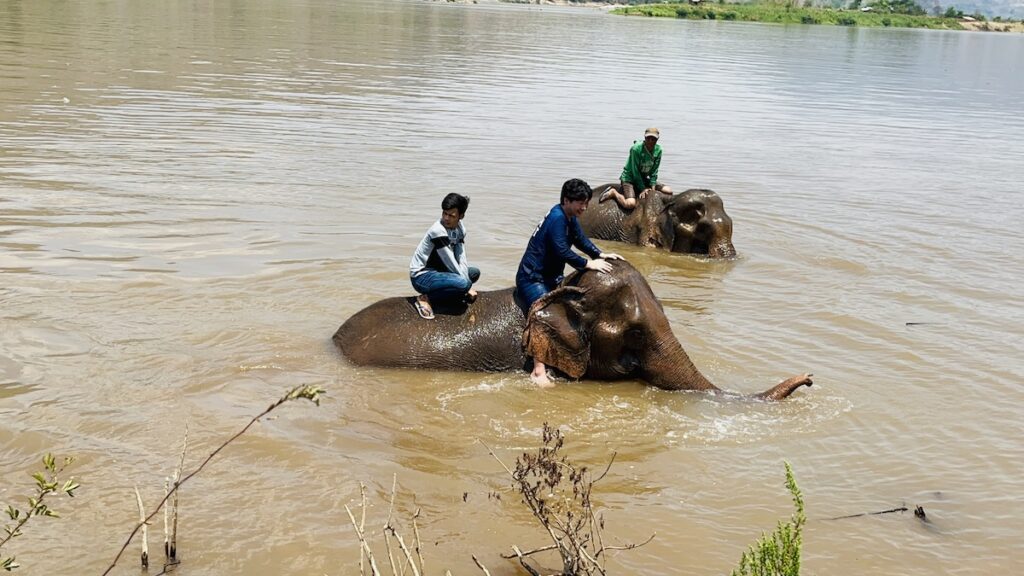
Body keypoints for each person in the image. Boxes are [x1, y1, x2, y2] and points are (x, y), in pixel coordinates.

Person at [516, 178, 624, 387]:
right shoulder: (557, 218)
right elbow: (561, 251)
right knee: (544, 314)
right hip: (532, 278)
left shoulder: (569, 216)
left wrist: (601, 253)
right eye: (580, 203)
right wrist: (587, 264)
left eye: (586, 203)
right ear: (566, 200)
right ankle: (538, 371)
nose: (584, 207)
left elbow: (580, 240)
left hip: (550, 276)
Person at [409, 193, 479, 320]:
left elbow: (461, 256)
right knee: (464, 283)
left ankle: (456, 289)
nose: (446, 218)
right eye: (444, 213)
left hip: (440, 272)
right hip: (422, 276)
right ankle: (425, 298)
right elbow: (450, 262)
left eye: (451, 215)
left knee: (474, 273)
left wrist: (465, 281)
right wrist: (465, 286)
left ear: (461, 216)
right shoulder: (438, 230)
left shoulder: (460, 229)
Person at [600, 127, 673, 210]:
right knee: (630, 204)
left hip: (644, 178)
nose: (650, 141)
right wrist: (643, 188)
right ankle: (614, 193)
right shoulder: (636, 149)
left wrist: (652, 189)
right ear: (644, 137)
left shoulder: (658, 150)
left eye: (653, 139)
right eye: (648, 138)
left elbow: (654, 171)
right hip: (630, 178)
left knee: (668, 191)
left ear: (657, 139)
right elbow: (635, 172)